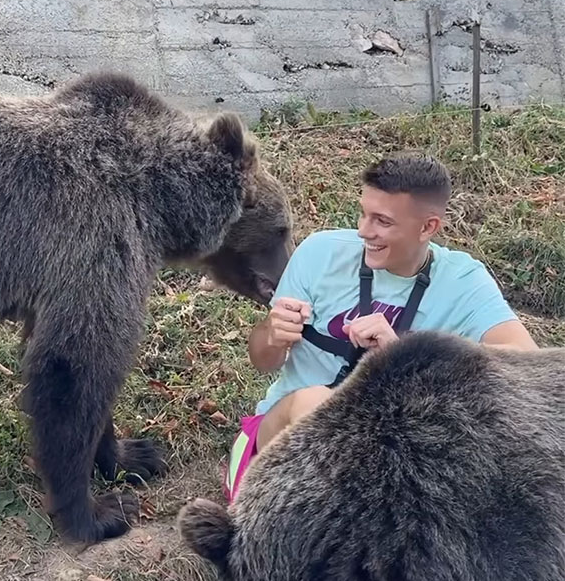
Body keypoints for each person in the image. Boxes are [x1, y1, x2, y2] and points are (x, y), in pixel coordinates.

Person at [224, 152, 537, 502]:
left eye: (382, 221)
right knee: (317, 403)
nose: (363, 230)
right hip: (284, 443)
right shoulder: (319, 253)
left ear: (428, 227)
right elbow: (262, 360)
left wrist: (407, 358)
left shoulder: (463, 281)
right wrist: (272, 334)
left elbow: (525, 363)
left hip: (399, 447)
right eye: (363, 213)